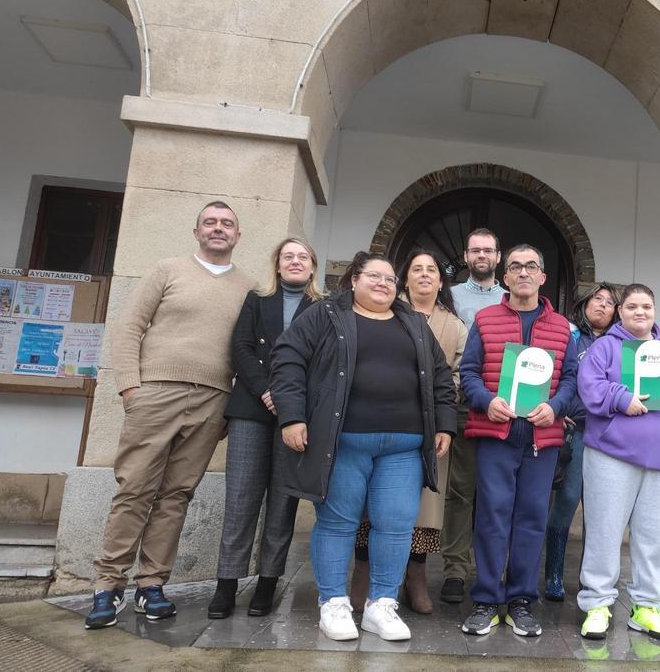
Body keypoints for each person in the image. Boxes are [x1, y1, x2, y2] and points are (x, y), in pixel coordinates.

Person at [268, 251, 456, 642]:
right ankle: (334, 603)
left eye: (390, 278)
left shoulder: (415, 324)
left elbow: (440, 378)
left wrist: (445, 425)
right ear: (354, 280)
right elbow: (287, 359)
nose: (383, 283)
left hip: (404, 447)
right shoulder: (325, 315)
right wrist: (292, 415)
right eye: (374, 276)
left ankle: (382, 606)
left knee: (397, 524)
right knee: (338, 522)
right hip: (343, 443)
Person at [85, 201, 256, 629]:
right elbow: (129, 327)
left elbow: (250, 351)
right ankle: (107, 586)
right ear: (196, 231)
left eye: (227, 224)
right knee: (134, 489)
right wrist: (130, 386)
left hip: (212, 399)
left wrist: (229, 410)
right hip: (155, 392)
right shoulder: (167, 270)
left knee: (176, 495)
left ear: (238, 235)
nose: (219, 229)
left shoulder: (250, 287)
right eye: (210, 222)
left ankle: (151, 585)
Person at [457, 244, 578, 637]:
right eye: (515, 267)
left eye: (531, 266)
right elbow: (469, 372)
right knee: (491, 517)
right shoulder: (485, 319)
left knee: (531, 519)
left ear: (543, 276)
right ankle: (487, 600)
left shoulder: (563, 327)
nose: (523, 272)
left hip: (542, 438)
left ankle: (522, 600)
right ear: (504, 276)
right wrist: (486, 400)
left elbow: (573, 379)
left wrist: (556, 407)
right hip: (497, 435)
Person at [575, 284, 660, 641]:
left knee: (656, 538)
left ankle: (647, 607)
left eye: (647, 306)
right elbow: (589, 385)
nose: (640, 312)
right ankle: (597, 605)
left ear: (655, 310)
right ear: (620, 311)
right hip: (612, 454)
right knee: (604, 531)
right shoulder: (604, 348)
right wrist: (621, 398)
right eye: (632, 306)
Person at [208, 238, 323, 620]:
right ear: (277, 265)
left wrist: (290, 400)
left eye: (302, 257)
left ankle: (267, 582)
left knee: (282, 500)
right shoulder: (256, 300)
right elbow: (240, 347)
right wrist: (267, 390)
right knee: (241, 498)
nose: (294, 262)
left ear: (312, 268)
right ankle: (227, 583)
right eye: (287, 256)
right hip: (252, 408)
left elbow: (323, 361)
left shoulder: (323, 308)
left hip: (297, 414)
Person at [351, 248, 467, 614]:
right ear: (405, 278)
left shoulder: (455, 325)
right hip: (383, 421)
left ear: (440, 280)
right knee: (374, 504)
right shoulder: (385, 312)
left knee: (422, 509)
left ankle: (415, 577)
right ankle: (364, 573)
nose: (424, 275)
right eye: (416, 269)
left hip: (430, 428)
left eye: (431, 269)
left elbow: (460, 373)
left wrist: (439, 406)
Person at [440, 227, 507, 603]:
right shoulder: (449, 298)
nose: (482, 256)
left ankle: (491, 569)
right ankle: (455, 569)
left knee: (495, 494)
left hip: (504, 407)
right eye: (475, 250)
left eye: (488, 250)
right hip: (464, 403)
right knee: (461, 491)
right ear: (466, 257)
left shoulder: (512, 298)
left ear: (499, 257)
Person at [544, 282, 619, 601]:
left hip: (609, 435)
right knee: (567, 498)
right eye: (597, 299)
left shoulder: (621, 344)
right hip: (575, 431)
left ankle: (594, 580)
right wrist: (561, 409)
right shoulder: (570, 337)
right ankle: (554, 575)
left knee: (601, 509)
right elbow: (555, 376)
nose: (602, 305)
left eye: (610, 302)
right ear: (585, 304)